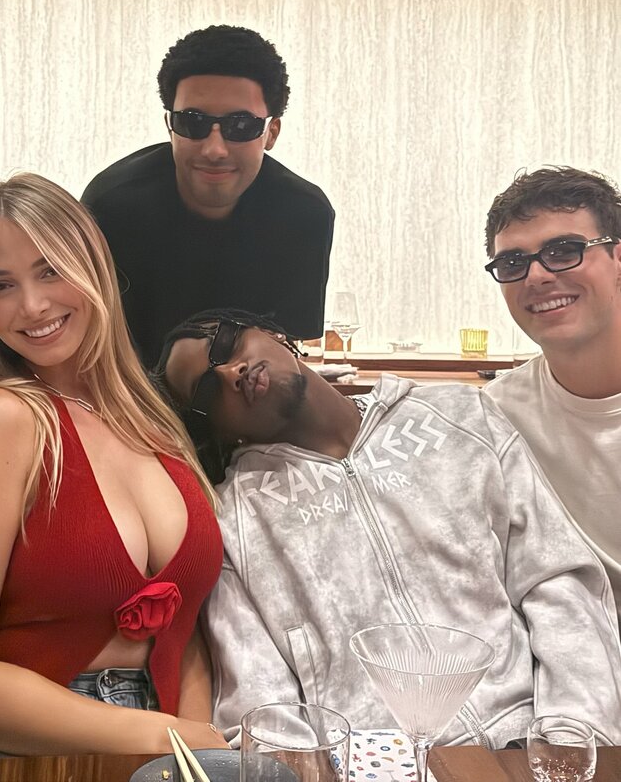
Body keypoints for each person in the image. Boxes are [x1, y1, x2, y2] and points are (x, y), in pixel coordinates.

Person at [156, 309, 621, 748]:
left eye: (225, 344)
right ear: (218, 429)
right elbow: (260, 704)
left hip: (527, 745)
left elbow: (559, 583)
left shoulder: (461, 416)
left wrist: (568, 740)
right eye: (206, 391)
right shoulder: (235, 519)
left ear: (272, 333)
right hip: (370, 764)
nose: (230, 372)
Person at [0, 174, 226, 756]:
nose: (32, 306)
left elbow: (187, 637)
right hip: (21, 751)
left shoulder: (153, 421)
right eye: (0, 286)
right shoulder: (0, 419)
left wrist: (201, 751)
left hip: (167, 746)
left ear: (93, 267)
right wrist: (168, 737)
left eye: (51, 270)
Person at [82, 25, 335, 368]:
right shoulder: (110, 206)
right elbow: (89, 342)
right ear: (170, 125)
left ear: (271, 133)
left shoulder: (304, 214)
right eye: (193, 122)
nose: (214, 149)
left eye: (241, 125)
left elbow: (283, 355)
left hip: (245, 393)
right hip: (127, 391)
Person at [482, 166, 621, 624]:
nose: (537, 276)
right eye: (512, 263)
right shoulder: (494, 418)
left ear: (618, 259)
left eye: (564, 251)